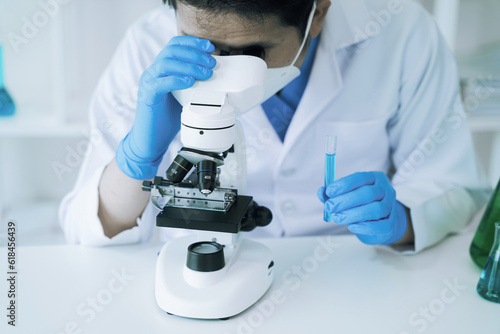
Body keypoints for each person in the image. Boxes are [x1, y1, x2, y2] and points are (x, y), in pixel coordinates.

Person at [59, 0, 491, 253]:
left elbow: (451, 183)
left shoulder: (401, 32)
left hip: (343, 272)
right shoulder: (148, 45)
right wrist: (139, 155)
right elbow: (89, 228)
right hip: (197, 260)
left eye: (249, 52)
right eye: (202, 46)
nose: (220, 69)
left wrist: (403, 222)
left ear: (317, 11)